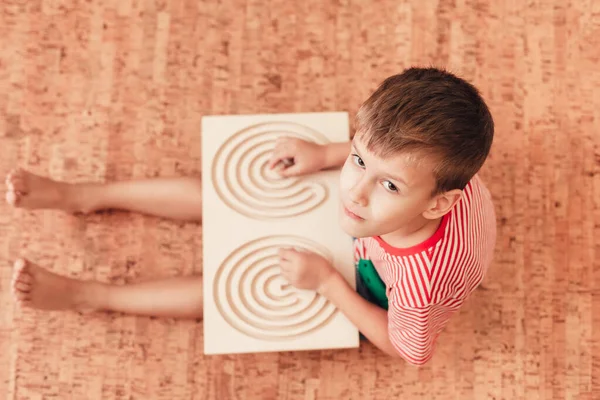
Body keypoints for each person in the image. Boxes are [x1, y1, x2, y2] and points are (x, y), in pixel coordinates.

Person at [7, 67, 496, 366]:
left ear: (440, 204)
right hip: (387, 231)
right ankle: (83, 195)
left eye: (387, 184)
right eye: (360, 161)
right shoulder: (422, 177)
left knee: (226, 288)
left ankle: (90, 294)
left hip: (377, 279)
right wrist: (327, 154)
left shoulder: (421, 283)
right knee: (226, 196)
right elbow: (380, 159)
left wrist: (326, 281)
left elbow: (410, 349)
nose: (356, 191)